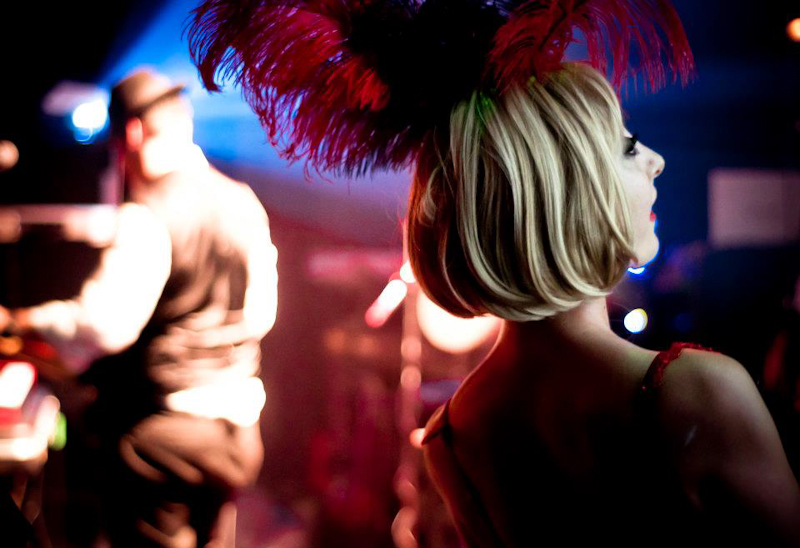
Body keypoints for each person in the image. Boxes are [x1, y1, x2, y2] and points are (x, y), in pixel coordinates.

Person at [184, 0, 800, 546]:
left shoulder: (453, 437)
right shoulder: (694, 394)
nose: (657, 162)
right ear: (571, 189)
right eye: (628, 146)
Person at [0, 68, 278, 548]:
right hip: (237, 436)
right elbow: (261, 314)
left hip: (162, 441)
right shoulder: (244, 202)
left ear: (129, 134)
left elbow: (102, 326)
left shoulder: (151, 215)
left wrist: (19, 321)